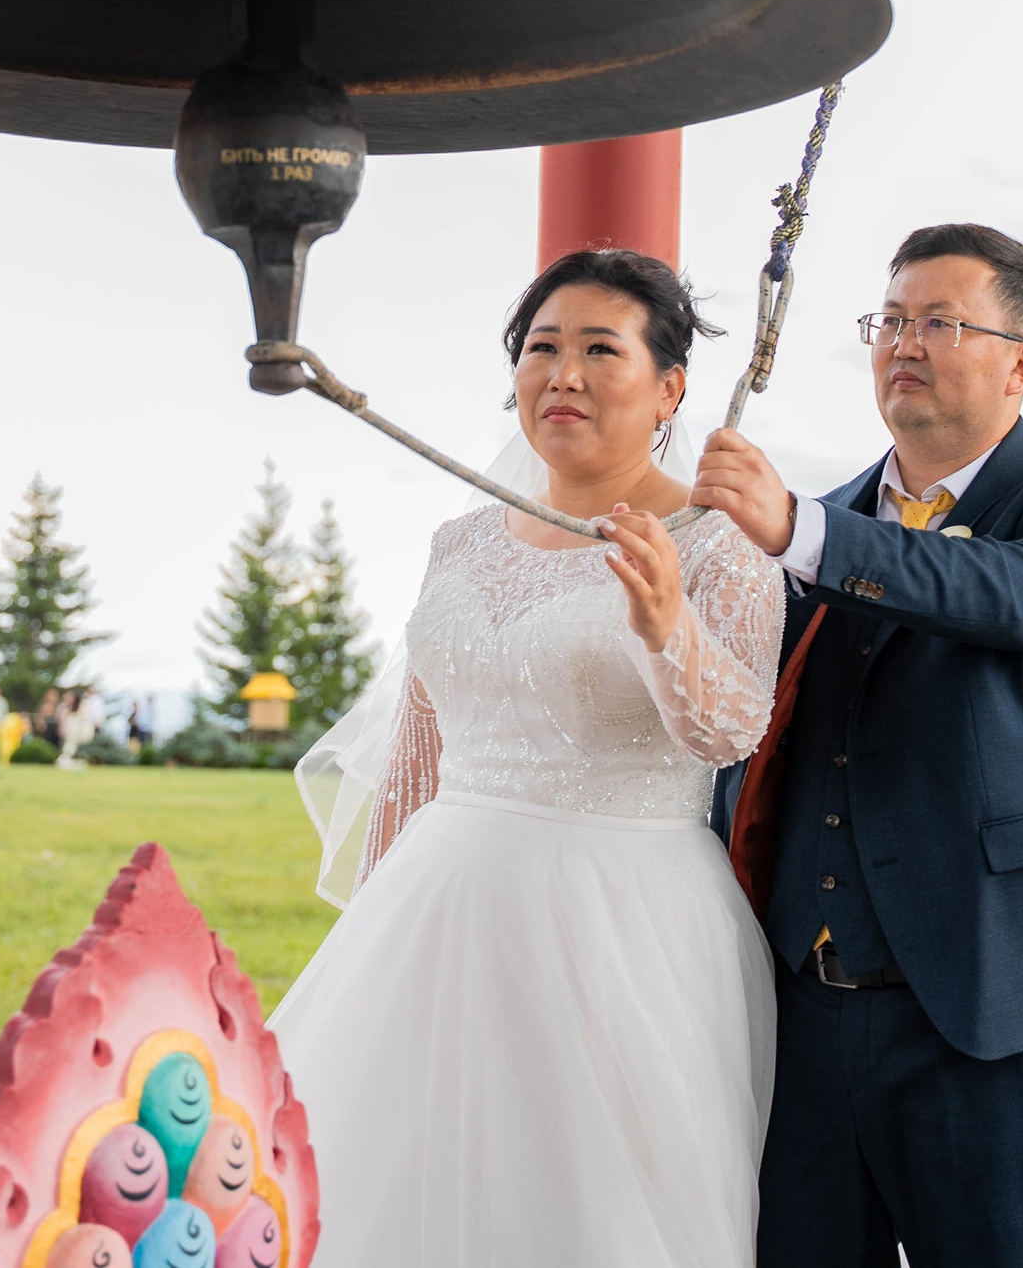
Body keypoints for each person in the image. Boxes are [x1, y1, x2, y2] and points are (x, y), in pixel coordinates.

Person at [274, 250, 783, 1268]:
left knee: (584, 1210)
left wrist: (667, 624)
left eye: (602, 348)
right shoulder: (457, 544)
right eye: (541, 348)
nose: (565, 374)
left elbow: (730, 730)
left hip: (622, 925)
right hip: (434, 912)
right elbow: (419, 758)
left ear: (669, 387)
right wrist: (377, 919)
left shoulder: (720, 543)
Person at [690, 223, 1023, 1268]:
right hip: (801, 1020)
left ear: (1019, 362)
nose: (903, 341)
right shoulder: (812, 521)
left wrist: (805, 536)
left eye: (939, 321)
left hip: (989, 1019)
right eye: (889, 320)